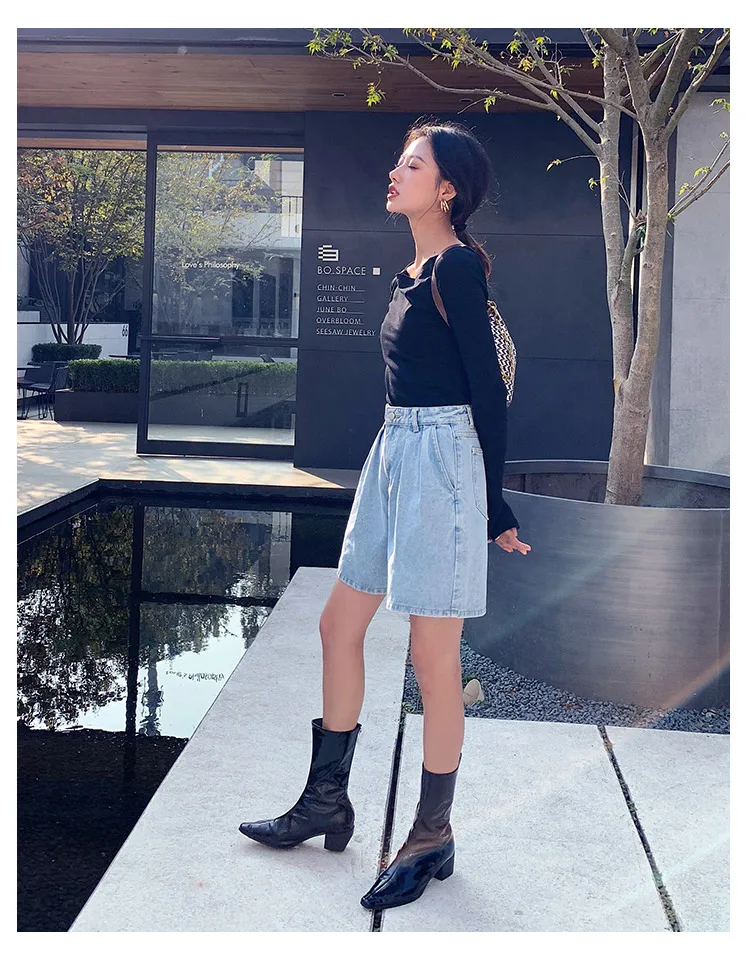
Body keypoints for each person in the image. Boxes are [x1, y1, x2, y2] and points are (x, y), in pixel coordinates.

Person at [239, 119, 532, 911]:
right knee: (339, 625)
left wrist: (493, 498)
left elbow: (487, 393)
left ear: (448, 189)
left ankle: (432, 835)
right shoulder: (409, 274)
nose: (395, 174)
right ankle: (325, 801)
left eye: (413, 165)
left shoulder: (457, 268)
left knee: (433, 660)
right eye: (398, 163)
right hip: (394, 449)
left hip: (444, 456)